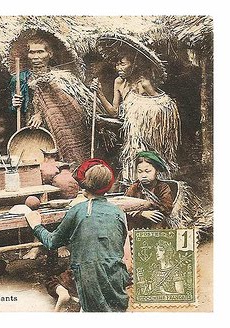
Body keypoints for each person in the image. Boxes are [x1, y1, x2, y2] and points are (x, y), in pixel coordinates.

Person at [25, 159, 130, 312]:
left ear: (84, 185)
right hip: (116, 279)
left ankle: (70, 295)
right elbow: (124, 254)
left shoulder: (77, 210)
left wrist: (36, 226)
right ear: (108, 185)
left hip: (87, 278)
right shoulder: (119, 212)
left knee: (53, 280)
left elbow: (52, 242)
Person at [95, 33, 181, 181]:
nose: (119, 68)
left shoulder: (144, 83)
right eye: (117, 64)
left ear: (134, 64)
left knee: (147, 161)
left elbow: (164, 105)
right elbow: (114, 112)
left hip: (147, 135)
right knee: (132, 159)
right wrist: (100, 93)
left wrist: (142, 115)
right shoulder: (119, 82)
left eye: (123, 64)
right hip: (131, 135)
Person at [10, 33, 104, 165]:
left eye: (40, 52)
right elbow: (17, 110)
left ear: (50, 54)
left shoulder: (62, 78)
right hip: (34, 131)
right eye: (32, 52)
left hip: (62, 127)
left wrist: (42, 113)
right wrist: (15, 104)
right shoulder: (21, 79)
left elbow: (74, 106)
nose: (36, 57)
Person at [124, 151, 174, 229]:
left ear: (156, 171)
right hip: (137, 225)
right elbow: (125, 207)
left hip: (157, 224)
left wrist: (148, 206)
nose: (143, 175)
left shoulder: (162, 187)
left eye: (147, 171)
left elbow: (167, 208)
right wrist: (142, 213)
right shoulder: (134, 188)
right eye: (140, 172)